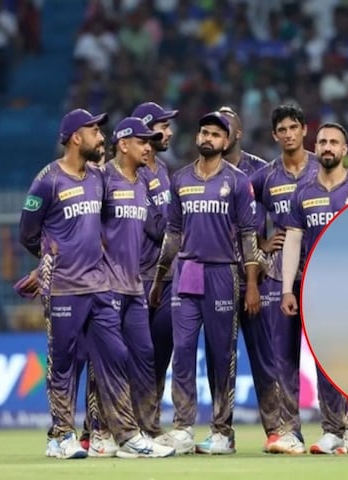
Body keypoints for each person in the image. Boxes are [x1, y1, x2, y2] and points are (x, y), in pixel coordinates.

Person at [19, 108, 175, 459]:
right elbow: (27, 233)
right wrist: (47, 261)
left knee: (116, 355)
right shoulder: (48, 180)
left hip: (100, 285)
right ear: (76, 137)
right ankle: (61, 436)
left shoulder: (98, 178)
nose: (101, 137)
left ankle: (126, 436)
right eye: (94, 131)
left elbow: (108, 224)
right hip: (64, 287)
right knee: (63, 361)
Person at [149, 111, 263, 455]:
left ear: (226, 141)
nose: (208, 138)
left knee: (222, 353)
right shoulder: (180, 179)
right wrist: (159, 278)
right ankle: (183, 428)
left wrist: (252, 284)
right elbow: (172, 233)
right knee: (182, 351)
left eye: (215, 134)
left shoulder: (238, 181)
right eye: (204, 132)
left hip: (222, 272)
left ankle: (222, 432)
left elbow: (249, 236)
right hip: (187, 271)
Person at [281, 122, 348, 454]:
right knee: (326, 361)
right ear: (315, 147)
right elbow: (293, 240)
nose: (328, 147)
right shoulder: (303, 192)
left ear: (345, 149)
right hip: (317, 289)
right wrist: (287, 289)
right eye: (322, 142)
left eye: (334, 142)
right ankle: (335, 431)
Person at [250, 104, 320, 454]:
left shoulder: (323, 168)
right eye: (283, 129)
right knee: (282, 357)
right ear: (275, 135)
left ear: (304, 129)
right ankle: (289, 431)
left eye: (294, 127)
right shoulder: (264, 177)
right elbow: (245, 218)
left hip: (321, 271)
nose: (289, 134)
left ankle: (343, 429)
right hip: (279, 276)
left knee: (329, 353)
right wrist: (261, 244)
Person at [217, 106, 281, 450]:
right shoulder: (205, 171)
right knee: (221, 358)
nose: (220, 133)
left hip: (257, 277)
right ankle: (222, 432)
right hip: (220, 276)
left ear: (238, 134)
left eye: (226, 127)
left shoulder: (261, 171)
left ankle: (277, 430)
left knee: (264, 357)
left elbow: (284, 209)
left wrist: (267, 244)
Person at [131, 101, 179, 443]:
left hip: (167, 277)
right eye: (164, 126)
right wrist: (186, 228)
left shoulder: (163, 169)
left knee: (161, 357)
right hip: (136, 278)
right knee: (132, 356)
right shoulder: (129, 174)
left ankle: (149, 425)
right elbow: (156, 227)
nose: (170, 132)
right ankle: (110, 428)